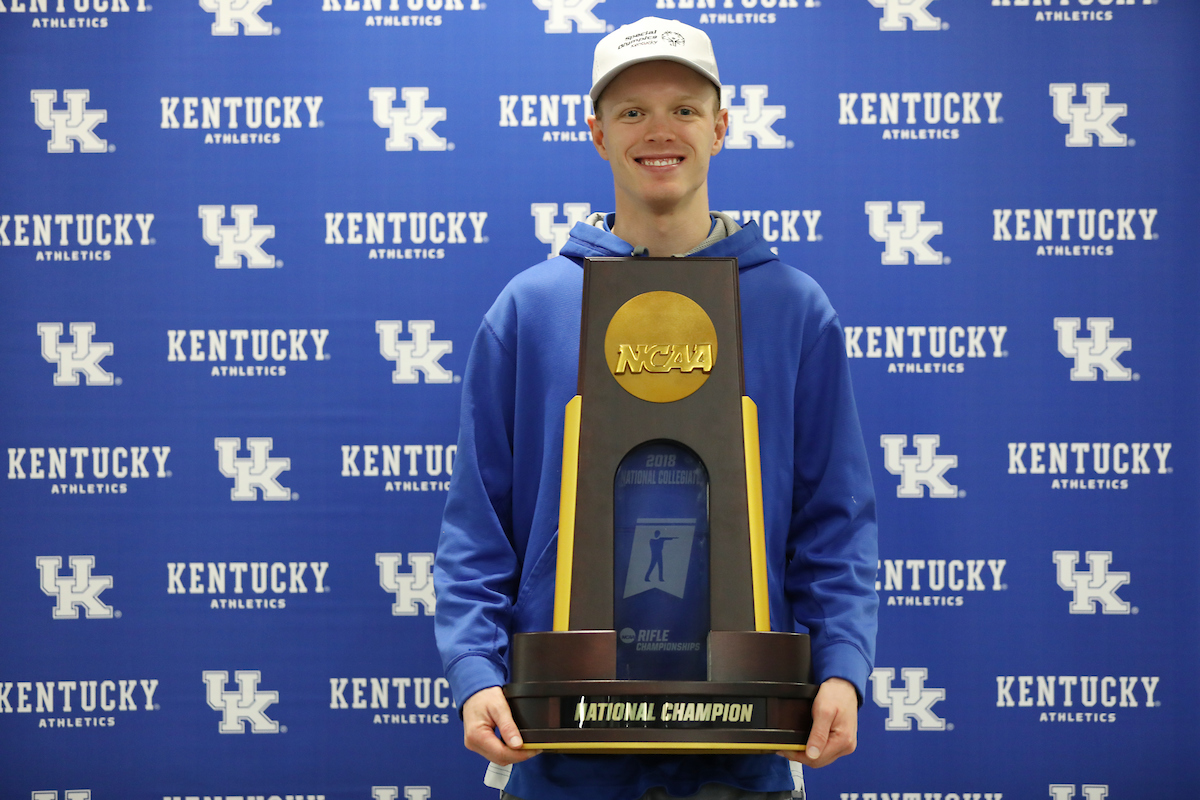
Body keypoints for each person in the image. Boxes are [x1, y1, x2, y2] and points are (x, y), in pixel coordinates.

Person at [433, 16, 878, 800]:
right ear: (598, 133)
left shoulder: (793, 307)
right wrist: (475, 670)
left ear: (721, 127)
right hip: (563, 742)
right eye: (633, 112)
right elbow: (480, 523)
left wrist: (842, 667)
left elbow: (832, 519)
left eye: (684, 109)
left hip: (743, 744)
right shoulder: (530, 308)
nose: (660, 131)